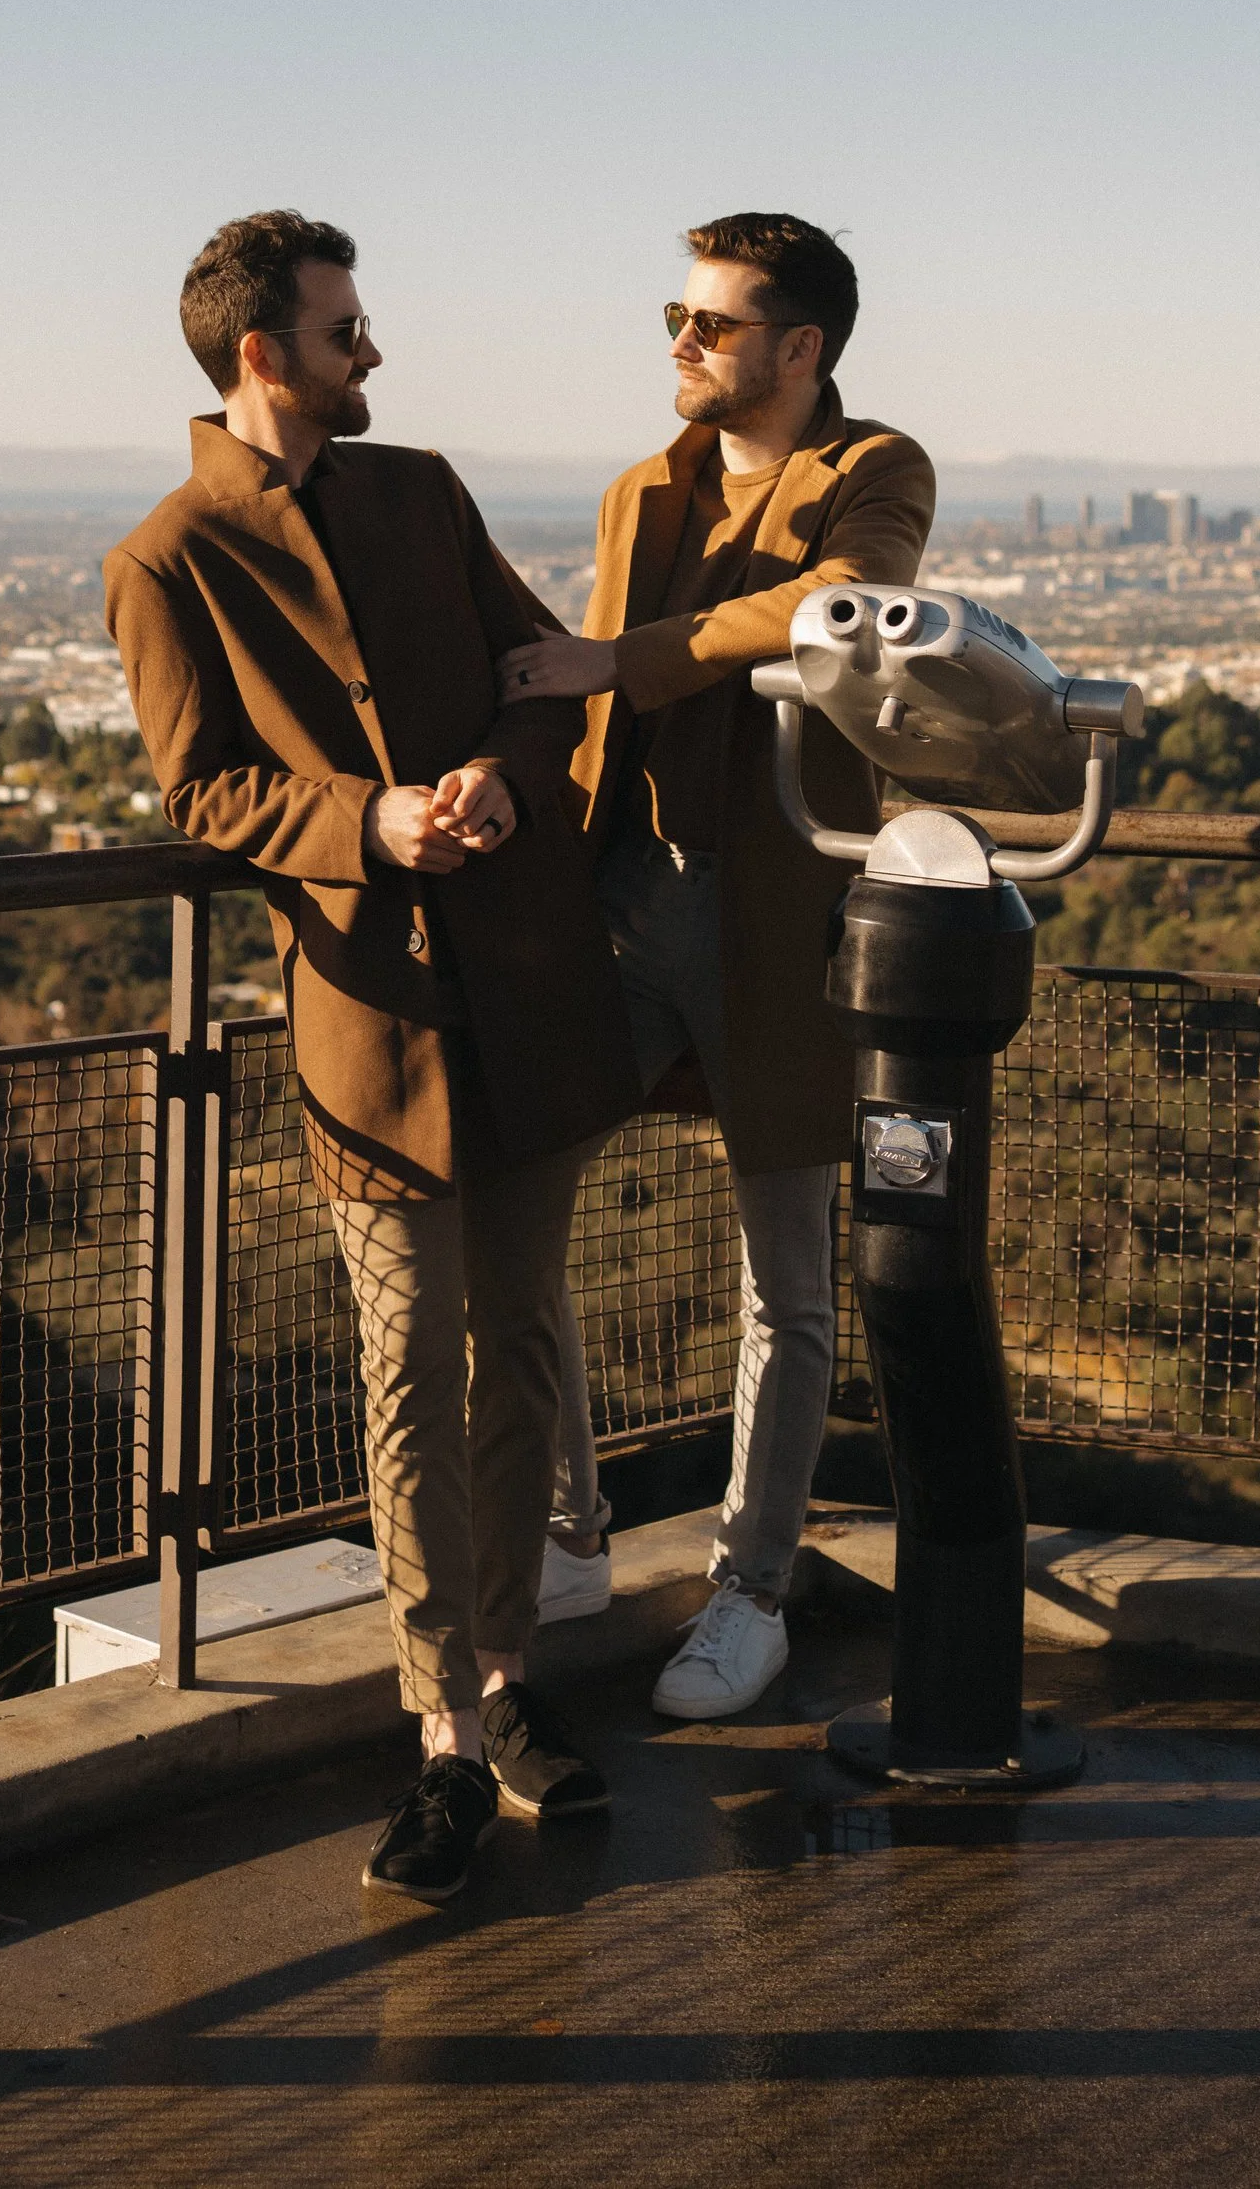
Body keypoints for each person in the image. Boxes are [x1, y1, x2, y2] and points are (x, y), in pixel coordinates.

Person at [105, 210, 641, 1905]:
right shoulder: (166, 560)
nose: (374, 352)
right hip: (370, 1018)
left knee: (521, 1360)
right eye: (347, 330)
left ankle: (505, 1679)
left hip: (528, 993)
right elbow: (201, 791)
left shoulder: (422, 489)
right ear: (266, 354)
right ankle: (444, 1741)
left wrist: (496, 762)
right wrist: (367, 821)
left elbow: (540, 671)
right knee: (407, 1375)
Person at [499, 212, 933, 1717]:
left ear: (800, 348)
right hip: (627, 895)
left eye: (714, 323)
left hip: (777, 905)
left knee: (787, 1278)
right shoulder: (643, 489)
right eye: (674, 316)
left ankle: (751, 1590)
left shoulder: (873, 472)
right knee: (510, 1197)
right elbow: (594, 677)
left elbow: (827, 615)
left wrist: (623, 658)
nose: (680, 343)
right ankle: (565, 1537)